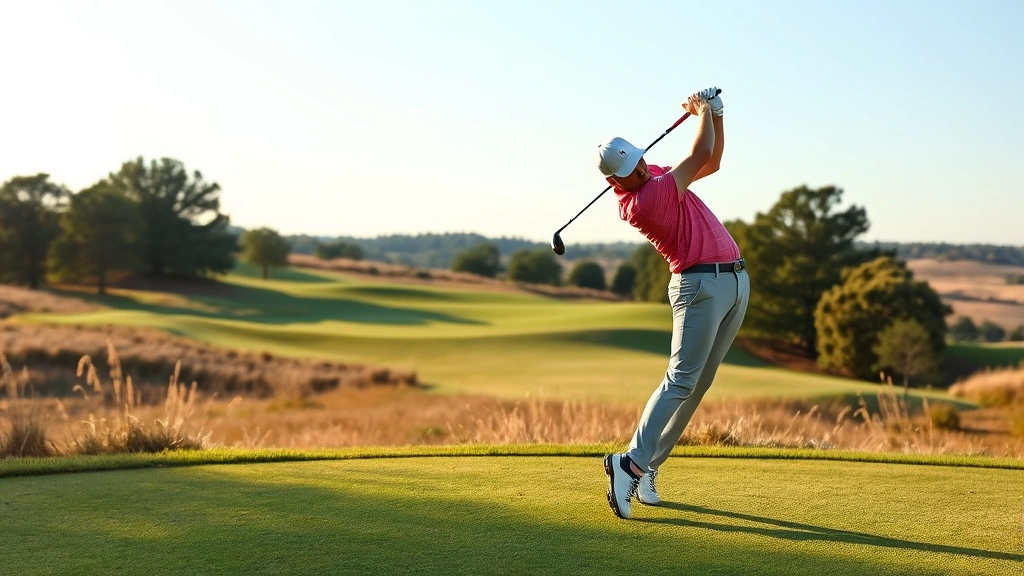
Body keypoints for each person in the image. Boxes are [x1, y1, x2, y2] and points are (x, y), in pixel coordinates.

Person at [597, 88, 750, 519]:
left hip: (734, 280)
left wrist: (715, 113)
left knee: (698, 384)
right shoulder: (647, 200)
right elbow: (700, 150)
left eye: (640, 160)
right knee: (680, 380)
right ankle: (627, 463)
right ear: (615, 181)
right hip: (700, 285)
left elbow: (711, 161)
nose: (642, 169)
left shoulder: (652, 177)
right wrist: (703, 111)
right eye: (631, 169)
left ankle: (647, 467)